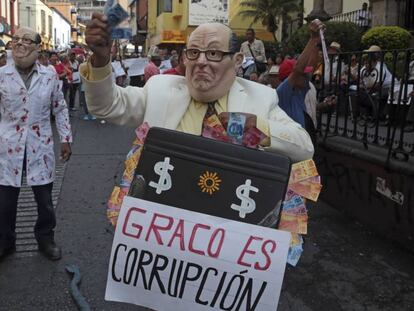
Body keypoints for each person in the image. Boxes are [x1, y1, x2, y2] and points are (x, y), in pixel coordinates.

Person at [81, 15, 314, 162]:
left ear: (237, 60)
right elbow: (106, 105)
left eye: (213, 53)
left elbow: (304, 147)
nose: (201, 61)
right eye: (193, 52)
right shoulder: (160, 89)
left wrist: (258, 129)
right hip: (166, 223)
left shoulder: (261, 97)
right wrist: (101, 61)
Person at [0, 27, 72, 261]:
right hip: (7, 146)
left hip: (39, 145)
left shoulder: (50, 75)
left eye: (26, 40)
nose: (19, 44)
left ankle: (45, 238)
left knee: (44, 200)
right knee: (5, 201)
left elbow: (60, 108)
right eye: (16, 40)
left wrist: (66, 139)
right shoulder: (2, 75)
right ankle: (6, 241)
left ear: (38, 47)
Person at [276, 19, 323, 131]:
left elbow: (310, 67)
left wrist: (317, 42)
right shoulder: (282, 92)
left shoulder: (300, 91)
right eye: (302, 75)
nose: (306, 76)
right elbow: (298, 69)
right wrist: (312, 39)